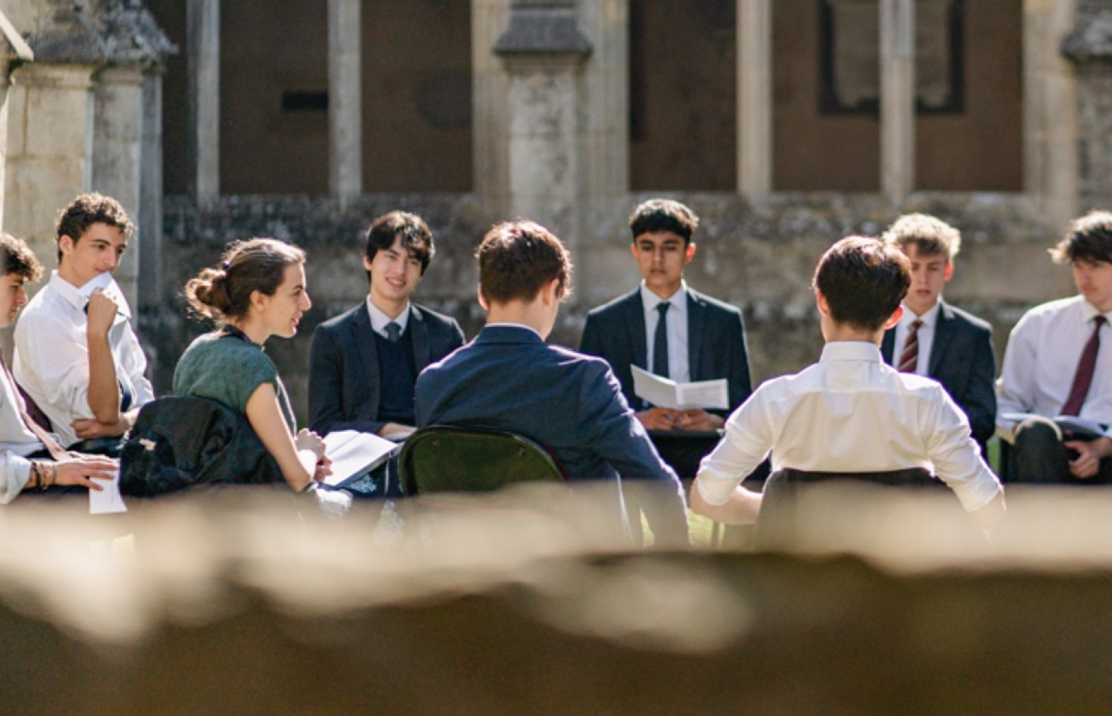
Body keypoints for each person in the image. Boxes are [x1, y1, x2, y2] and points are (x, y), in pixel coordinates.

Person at [689, 236, 1005, 530]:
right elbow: (988, 506)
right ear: (894, 315)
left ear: (822, 302)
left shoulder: (777, 398)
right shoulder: (926, 401)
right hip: (901, 582)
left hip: (797, 579)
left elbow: (705, 497)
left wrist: (780, 510)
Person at [417, 221, 687, 543]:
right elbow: (657, 485)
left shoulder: (433, 382)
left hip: (469, 576)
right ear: (550, 291)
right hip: (578, 576)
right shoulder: (582, 380)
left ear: (482, 295)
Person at [997, 212, 1112, 486]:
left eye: (1096, 266)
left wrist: (1100, 447)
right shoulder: (1038, 324)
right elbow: (1007, 401)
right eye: (1078, 266)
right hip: (1046, 449)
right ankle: (1034, 525)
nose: (1085, 277)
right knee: (1035, 432)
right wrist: (1026, 430)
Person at [578, 199, 752, 479]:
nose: (657, 259)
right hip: (632, 445)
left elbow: (742, 401)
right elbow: (588, 407)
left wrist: (714, 421)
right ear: (635, 251)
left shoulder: (724, 321)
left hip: (702, 446)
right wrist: (636, 419)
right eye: (647, 247)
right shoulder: (604, 322)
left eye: (669, 248)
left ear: (688, 252)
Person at [0, 227, 117, 502]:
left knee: (134, 477)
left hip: (38, 467)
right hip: (21, 493)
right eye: (14, 286)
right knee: (138, 495)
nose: (22, 299)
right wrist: (50, 473)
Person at [174, 238, 333, 493]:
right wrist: (307, 452)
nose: (306, 303)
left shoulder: (195, 352)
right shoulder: (252, 366)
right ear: (259, 300)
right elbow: (298, 479)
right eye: (296, 292)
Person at [11, 194, 156, 449]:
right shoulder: (42, 319)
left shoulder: (109, 295)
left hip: (129, 447)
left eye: (118, 250)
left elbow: (143, 397)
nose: (111, 261)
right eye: (99, 247)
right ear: (67, 245)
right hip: (81, 463)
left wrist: (124, 422)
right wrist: (97, 336)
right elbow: (102, 415)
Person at [308, 212, 465, 441]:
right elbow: (322, 426)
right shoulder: (332, 337)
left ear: (421, 274)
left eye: (412, 262)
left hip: (427, 459)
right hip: (360, 465)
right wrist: (384, 430)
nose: (400, 271)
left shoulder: (445, 334)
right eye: (390, 257)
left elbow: (460, 415)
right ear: (368, 260)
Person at [879, 213, 997, 447]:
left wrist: (930, 431)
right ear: (898, 270)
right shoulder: (874, 326)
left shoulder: (973, 335)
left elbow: (983, 417)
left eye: (933, 268)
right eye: (913, 267)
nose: (923, 279)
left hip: (943, 457)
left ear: (947, 270)